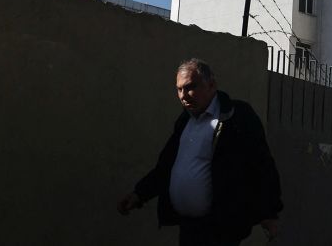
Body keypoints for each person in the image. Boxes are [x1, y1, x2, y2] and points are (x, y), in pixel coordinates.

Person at [117, 59, 282, 246]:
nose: (183, 96)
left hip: (222, 229)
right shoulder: (185, 122)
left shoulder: (236, 117)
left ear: (211, 84)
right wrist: (139, 194)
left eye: (189, 87)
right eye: (179, 89)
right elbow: (166, 167)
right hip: (189, 228)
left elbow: (261, 164)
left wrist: (269, 213)